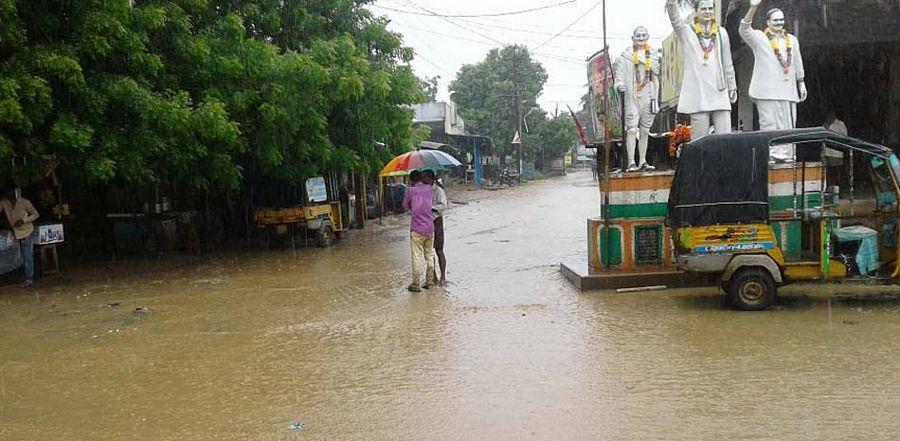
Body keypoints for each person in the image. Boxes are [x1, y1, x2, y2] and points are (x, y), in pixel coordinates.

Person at [740, 0, 807, 161]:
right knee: (769, 125)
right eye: (775, 20)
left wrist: (801, 82)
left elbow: (797, 62)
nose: (779, 23)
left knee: (788, 126)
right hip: (766, 92)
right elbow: (743, 29)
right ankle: (771, 154)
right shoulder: (760, 38)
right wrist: (753, 7)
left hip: (788, 90)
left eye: (781, 20)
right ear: (768, 22)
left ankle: (788, 155)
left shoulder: (792, 40)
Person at [666, 0, 738, 140]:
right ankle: (701, 162)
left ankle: (724, 162)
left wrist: (732, 86)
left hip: (719, 90)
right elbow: (675, 20)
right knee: (700, 140)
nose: (708, 11)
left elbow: (727, 62)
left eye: (710, 8)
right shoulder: (687, 32)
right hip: (699, 93)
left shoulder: (721, 33)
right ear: (696, 11)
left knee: (725, 137)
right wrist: (671, 3)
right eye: (704, 8)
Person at [614, 26, 660, 172]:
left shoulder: (652, 55)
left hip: (648, 95)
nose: (640, 38)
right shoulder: (626, 56)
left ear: (648, 37)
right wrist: (619, 85)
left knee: (645, 130)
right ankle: (631, 162)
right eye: (638, 36)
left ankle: (643, 161)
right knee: (632, 129)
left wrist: (656, 100)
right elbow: (618, 78)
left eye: (643, 35)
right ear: (633, 38)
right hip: (632, 95)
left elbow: (656, 79)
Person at [402, 170, 435, 292]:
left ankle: (416, 284)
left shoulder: (411, 190)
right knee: (429, 255)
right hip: (430, 228)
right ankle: (430, 282)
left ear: (411, 180)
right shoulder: (429, 189)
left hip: (417, 228)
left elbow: (405, 206)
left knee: (416, 256)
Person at [1, 185, 40, 287]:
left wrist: (23, 220)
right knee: (21, 256)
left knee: (27, 256)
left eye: (10, 192)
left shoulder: (24, 202)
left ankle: (29, 279)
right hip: (16, 233)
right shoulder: (4, 203)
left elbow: (36, 214)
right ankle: (26, 278)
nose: (9, 195)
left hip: (26, 231)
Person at [426, 171, 449, 286]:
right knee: (428, 251)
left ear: (431, 179)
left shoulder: (439, 191)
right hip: (425, 222)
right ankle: (433, 276)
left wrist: (431, 207)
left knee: (439, 250)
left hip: (436, 221)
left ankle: (443, 277)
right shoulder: (422, 191)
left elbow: (443, 206)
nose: (423, 181)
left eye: (425, 178)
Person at [824, 110, 849, 189]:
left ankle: (838, 189)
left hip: (836, 153)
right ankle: (829, 189)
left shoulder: (840, 124)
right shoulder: (825, 125)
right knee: (828, 173)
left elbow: (844, 137)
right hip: (826, 153)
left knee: (837, 173)